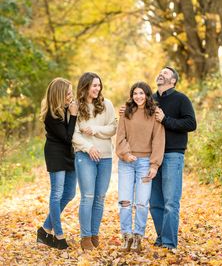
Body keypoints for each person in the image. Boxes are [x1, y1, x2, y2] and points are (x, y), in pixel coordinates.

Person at [150, 67, 197, 250]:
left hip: (172, 154)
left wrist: (165, 119)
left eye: (166, 73)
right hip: (153, 156)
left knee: (170, 201)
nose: (161, 74)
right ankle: (162, 237)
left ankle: (169, 242)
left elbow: (191, 123)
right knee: (155, 202)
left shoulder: (181, 99)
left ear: (173, 80)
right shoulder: (150, 100)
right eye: (160, 72)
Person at [116, 82, 165, 253]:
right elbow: (120, 136)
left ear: (147, 95)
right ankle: (126, 236)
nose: (138, 97)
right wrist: (126, 154)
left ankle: (138, 236)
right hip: (126, 162)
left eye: (141, 93)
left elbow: (158, 140)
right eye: (135, 93)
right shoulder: (125, 112)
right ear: (132, 95)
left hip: (145, 163)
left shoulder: (155, 114)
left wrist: (154, 165)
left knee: (142, 203)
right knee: (125, 202)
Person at [72, 72, 117, 251]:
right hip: (85, 156)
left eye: (99, 85)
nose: (97, 89)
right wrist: (88, 147)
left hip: (105, 157)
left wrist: (96, 129)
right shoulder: (75, 107)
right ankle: (85, 237)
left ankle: (94, 234)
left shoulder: (107, 105)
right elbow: (73, 133)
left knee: (99, 198)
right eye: (93, 85)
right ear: (85, 87)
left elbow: (113, 127)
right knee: (88, 197)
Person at [37, 77, 78, 250]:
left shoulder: (67, 108)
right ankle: (58, 235)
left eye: (71, 92)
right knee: (56, 194)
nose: (70, 95)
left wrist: (72, 112)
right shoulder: (51, 115)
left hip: (69, 155)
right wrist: (74, 115)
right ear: (59, 94)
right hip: (55, 154)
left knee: (69, 193)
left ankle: (44, 229)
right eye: (67, 93)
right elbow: (67, 137)